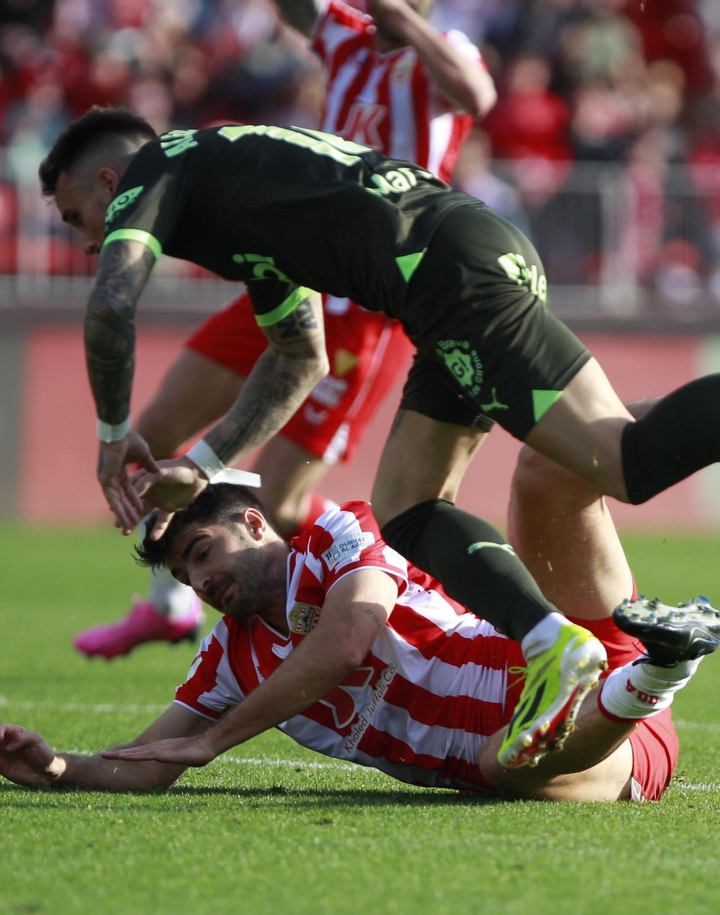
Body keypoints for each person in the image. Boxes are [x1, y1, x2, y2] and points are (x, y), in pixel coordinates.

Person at [38, 108, 720, 771]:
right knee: (411, 500)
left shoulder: (154, 180)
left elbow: (113, 303)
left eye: (82, 215)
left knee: (618, 460)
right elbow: (300, 356)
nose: (91, 236)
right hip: (457, 262)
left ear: (110, 180)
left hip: (449, 274)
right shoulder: (232, 196)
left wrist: (114, 434)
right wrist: (202, 469)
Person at [74, 0, 497, 658]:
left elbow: (478, 95)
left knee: (280, 499)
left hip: (368, 297)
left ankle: (416, 590)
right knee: (149, 440)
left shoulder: (442, 51)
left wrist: (402, 18)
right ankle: (170, 603)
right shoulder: (347, 38)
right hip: (292, 271)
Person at [0, 439, 720, 795]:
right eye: (185, 574)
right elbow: (146, 761)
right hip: (583, 745)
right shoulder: (230, 656)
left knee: (550, 465)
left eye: (204, 551)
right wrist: (58, 767)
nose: (201, 581)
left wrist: (214, 741)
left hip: (563, 645)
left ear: (257, 522)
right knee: (508, 768)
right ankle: (665, 665)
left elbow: (347, 640)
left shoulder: (341, 532)